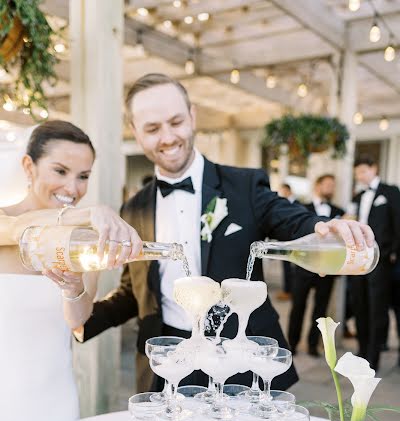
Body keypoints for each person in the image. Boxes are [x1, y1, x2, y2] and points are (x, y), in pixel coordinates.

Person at [76, 73, 374, 392]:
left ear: (192, 117)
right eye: (152, 128)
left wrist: (322, 227)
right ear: (135, 132)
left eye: (175, 122)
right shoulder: (133, 209)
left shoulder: (244, 185)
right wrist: (81, 322)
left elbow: (288, 218)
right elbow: (134, 291)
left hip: (241, 360)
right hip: (171, 367)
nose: (167, 137)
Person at [0, 120, 142, 421]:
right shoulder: (4, 223)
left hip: (55, 400)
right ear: (28, 166)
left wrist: (74, 290)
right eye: (60, 171)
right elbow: (22, 229)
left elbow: (78, 322)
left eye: (83, 177)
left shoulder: (85, 242)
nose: (73, 189)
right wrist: (88, 213)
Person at [350, 155, 400, 370]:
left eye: (363, 171)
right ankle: (362, 350)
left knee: (377, 308)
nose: (360, 176)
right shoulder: (359, 196)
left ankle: (374, 356)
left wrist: (395, 252)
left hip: (382, 259)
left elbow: (398, 222)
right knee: (360, 304)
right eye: (357, 173)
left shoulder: (390, 192)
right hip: (360, 260)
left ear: (373, 167)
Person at [288, 174, 345, 356]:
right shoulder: (301, 208)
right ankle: (292, 344)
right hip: (304, 267)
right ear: (318, 185)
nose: (330, 188)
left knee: (321, 310)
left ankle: (313, 345)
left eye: (332, 185)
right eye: (327, 184)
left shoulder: (339, 211)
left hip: (327, 269)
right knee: (298, 306)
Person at [276, 183, 299, 301]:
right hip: (284, 240)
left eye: (283, 191)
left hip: (294, 241)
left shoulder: (296, 204)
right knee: (285, 266)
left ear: (288, 191)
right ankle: (287, 290)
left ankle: (291, 290)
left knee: (292, 268)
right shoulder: (282, 203)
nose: (282, 194)